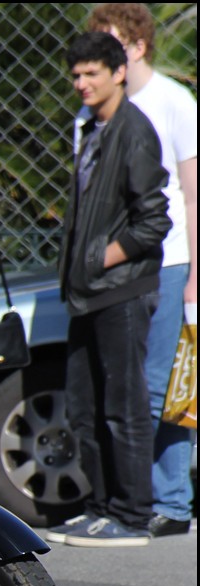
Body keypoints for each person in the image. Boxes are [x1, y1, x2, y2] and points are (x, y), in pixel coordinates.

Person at [47, 32, 171, 547]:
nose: (81, 83)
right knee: (84, 406)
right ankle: (98, 507)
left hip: (121, 290)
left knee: (123, 405)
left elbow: (153, 220)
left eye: (91, 73)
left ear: (119, 72)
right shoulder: (92, 129)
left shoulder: (134, 132)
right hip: (88, 293)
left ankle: (133, 513)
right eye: (76, 74)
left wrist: (101, 258)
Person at [84, 4, 197, 537]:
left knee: (157, 384)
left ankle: (163, 501)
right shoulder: (97, 110)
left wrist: (196, 272)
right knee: (144, 383)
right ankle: (168, 500)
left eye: (111, 45)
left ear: (137, 46)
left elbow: (192, 197)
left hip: (169, 258)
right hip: (121, 269)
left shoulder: (174, 103)